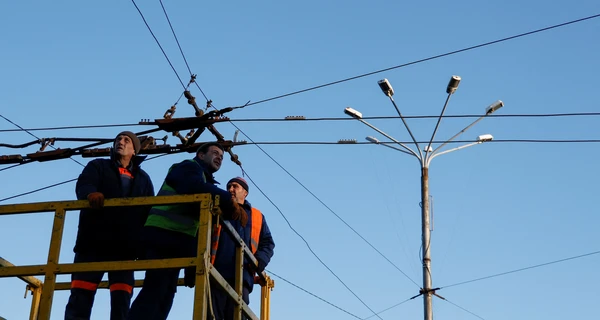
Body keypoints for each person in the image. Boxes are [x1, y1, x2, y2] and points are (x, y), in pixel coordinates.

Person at [128, 142, 246, 320]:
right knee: (156, 289)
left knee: (166, 293)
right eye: (214, 153)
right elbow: (192, 186)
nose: (219, 158)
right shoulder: (187, 167)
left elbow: (199, 225)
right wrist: (228, 201)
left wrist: (191, 267)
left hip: (177, 240)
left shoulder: (204, 180)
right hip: (162, 233)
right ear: (201, 155)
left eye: (221, 156)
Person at [65, 131, 155, 320]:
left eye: (126, 140)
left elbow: (149, 211)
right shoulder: (98, 166)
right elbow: (84, 183)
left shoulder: (143, 179)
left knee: (121, 299)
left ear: (134, 150)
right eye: (118, 140)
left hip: (125, 248)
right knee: (81, 294)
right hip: (93, 243)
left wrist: (144, 245)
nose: (120, 142)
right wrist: (90, 193)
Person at [209, 176, 275, 320]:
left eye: (235, 186)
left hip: (243, 276)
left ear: (245, 192)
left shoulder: (256, 216)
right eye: (229, 187)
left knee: (237, 315)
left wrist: (259, 262)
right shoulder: (219, 209)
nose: (230, 189)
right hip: (216, 272)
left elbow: (268, 243)